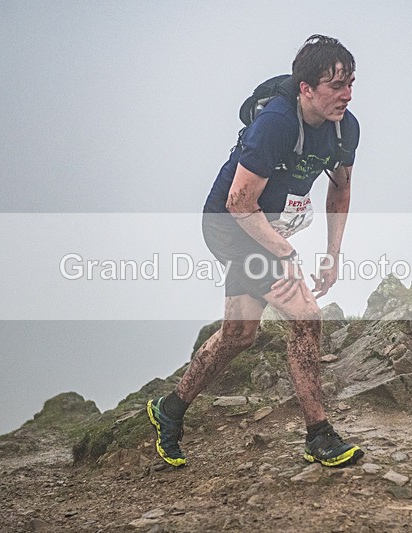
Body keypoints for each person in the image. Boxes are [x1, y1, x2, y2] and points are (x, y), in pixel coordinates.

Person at [147, 35, 363, 468]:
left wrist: (332, 254)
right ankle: (318, 435)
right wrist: (286, 254)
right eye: (335, 85)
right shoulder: (278, 124)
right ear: (306, 88)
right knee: (305, 317)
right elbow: (238, 202)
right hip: (230, 225)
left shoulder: (345, 127)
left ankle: (168, 411)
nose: (347, 94)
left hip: (265, 225)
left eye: (351, 83)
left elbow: (340, 191)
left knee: (240, 335)